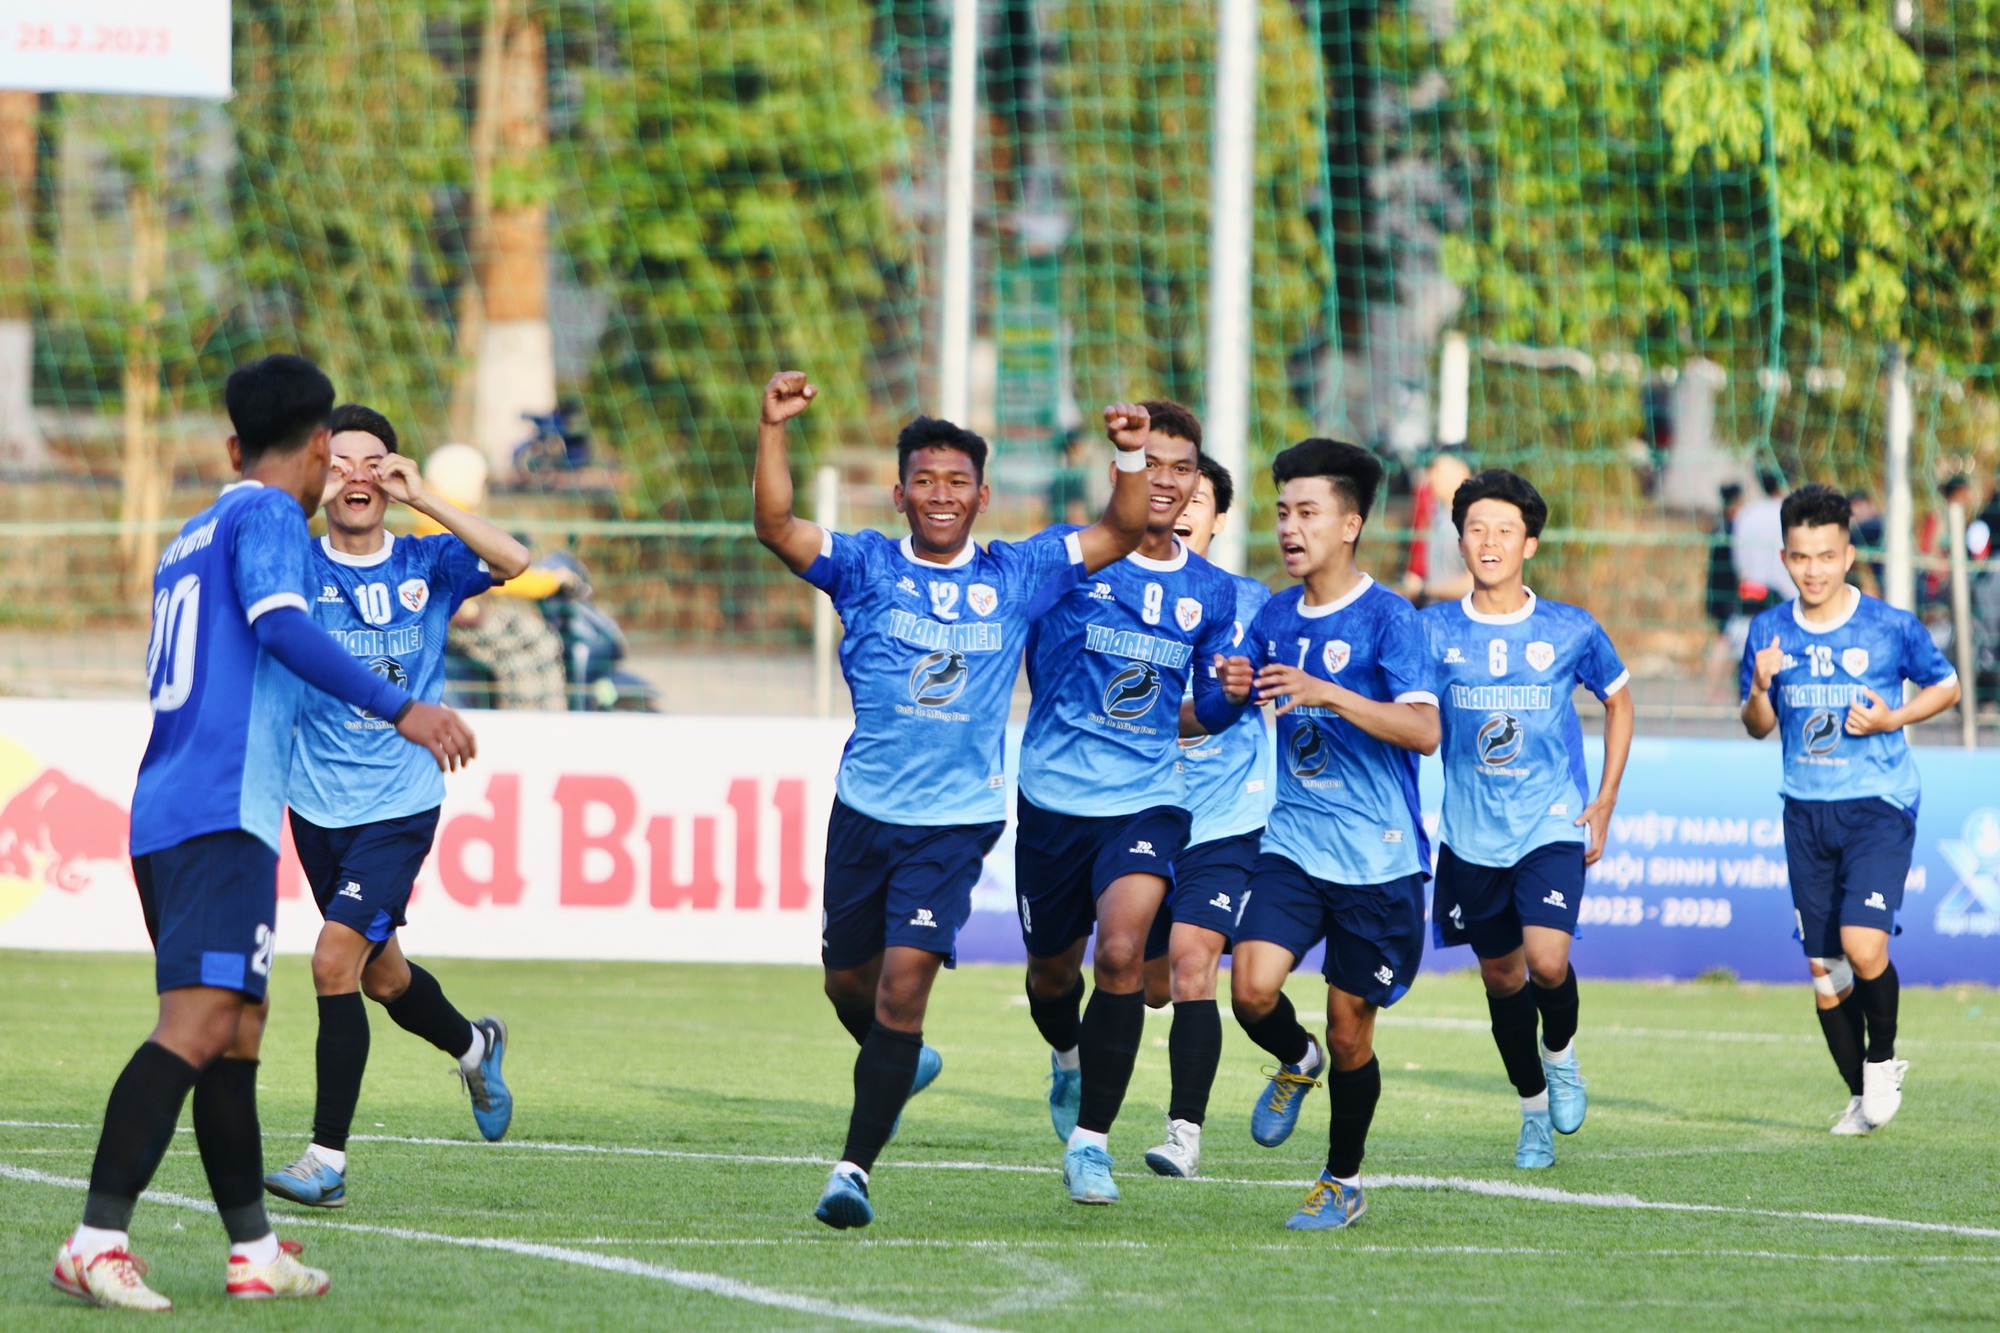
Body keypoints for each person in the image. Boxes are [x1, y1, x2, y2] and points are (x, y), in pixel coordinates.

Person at [52, 355, 476, 1311]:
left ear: (234, 444)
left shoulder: (190, 532)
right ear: (321, 446)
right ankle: (96, 1237)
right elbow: (282, 623)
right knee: (198, 1025)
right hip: (218, 808)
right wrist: (400, 706)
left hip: (175, 806)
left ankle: (253, 1250)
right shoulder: (271, 517)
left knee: (239, 1033)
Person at [751, 372, 1152, 1229]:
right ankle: (903, 1059)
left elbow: (1122, 526)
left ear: (982, 493)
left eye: (958, 481)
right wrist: (773, 428)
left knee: (901, 989)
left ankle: (852, 1171)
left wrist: (1128, 451)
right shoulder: (862, 565)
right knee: (847, 987)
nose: (941, 495)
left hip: (955, 822)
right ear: (899, 492)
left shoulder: (1019, 571)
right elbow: (777, 527)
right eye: (925, 480)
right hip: (864, 811)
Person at [262, 404, 531, 1210]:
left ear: (394, 474)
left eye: (373, 463)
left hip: (399, 802)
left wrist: (431, 500)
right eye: (338, 462)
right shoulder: (296, 566)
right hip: (315, 803)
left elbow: (516, 557)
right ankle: (474, 1044)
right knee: (382, 976)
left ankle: (326, 1159)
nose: (357, 477)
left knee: (331, 960)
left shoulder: (428, 561)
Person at [1014, 397, 1245, 1207]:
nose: (1168, 481)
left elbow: (1202, 715)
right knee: (1052, 977)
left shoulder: (1211, 593)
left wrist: (1229, 698)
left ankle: (1091, 1145)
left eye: (1183, 467)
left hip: (1148, 797)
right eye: (1154, 463)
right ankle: (1068, 1058)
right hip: (1053, 797)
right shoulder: (1065, 560)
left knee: (1120, 953)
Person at [1221, 437, 1438, 1231]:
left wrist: (1328, 692)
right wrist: (1230, 687)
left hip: (1378, 862)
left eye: (1307, 512)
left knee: (1353, 1030)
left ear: (1349, 524)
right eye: (1282, 511)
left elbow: (1423, 731)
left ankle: (1341, 1180)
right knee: (1250, 989)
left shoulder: (1390, 619)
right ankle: (1292, 1055)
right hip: (1292, 845)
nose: (1289, 527)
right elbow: (1235, 694)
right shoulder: (1273, 613)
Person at [1421, 469, 1635, 1169]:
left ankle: (1562, 1053)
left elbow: (1620, 699)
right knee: (1503, 979)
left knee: (1547, 959)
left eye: (1505, 530)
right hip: (1470, 834)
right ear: (1460, 541)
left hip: (1550, 821)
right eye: (1477, 528)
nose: (1490, 541)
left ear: (1530, 543)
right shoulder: (1434, 630)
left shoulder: (1570, 628)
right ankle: (1533, 1109)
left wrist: (1603, 798)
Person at [1740, 485, 1960, 1135]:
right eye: (1802, 557)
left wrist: (1893, 716)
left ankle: (1884, 1059)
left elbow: (1946, 684)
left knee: (1864, 946)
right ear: (1784, 557)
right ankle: (1861, 1096)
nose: (1814, 570)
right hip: (1804, 810)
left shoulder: (1890, 626)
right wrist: (1757, 685)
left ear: (1846, 553)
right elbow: (1756, 725)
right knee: (1824, 969)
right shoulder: (1769, 630)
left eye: (1826, 556)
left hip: (1877, 803)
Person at [1139, 450, 1271, 1180]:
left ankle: (1183, 1131)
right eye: (1175, 490)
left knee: (1195, 966)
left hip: (1226, 816)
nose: (1184, 503)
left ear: (1220, 517)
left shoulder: (1255, 605)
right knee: (1150, 980)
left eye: (1201, 496)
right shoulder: (1122, 590)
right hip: (1146, 807)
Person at [1400, 450, 1474, 607]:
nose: (1430, 477)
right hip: (1434, 618)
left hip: (1459, 623)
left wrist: (1424, 589)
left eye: (1437, 470)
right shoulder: (1438, 517)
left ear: (1461, 470)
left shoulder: (1474, 521)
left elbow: (1474, 584)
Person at [1733, 467, 1795, 609]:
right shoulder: (1791, 513)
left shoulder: (1746, 512)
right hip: (1784, 594)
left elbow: (1737, 557)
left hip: (1751, 592)